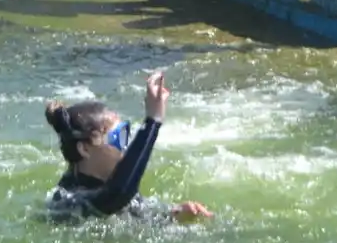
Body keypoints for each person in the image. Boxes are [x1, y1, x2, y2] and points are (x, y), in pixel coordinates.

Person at [43, 70, 212, 224]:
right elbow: (116, 195)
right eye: (119, 137)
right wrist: (153, 120)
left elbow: (137, 211)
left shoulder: (114, 184)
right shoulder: (69, 201)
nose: (125, 145)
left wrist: (174, 215)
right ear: (85, 149)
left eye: (127, 133)